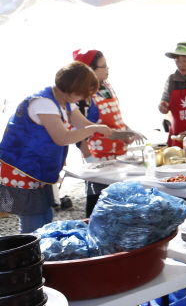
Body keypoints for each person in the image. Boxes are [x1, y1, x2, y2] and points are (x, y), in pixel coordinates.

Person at [0, 62, 110, 232]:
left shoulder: (66, 100)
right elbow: (62, 138)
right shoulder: (44, 102)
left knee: (45, 215)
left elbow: (82, 125)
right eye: (83, 93)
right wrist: (94, 128)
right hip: (21, 167)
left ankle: (42, 253)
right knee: (33, 221)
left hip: (38, 166)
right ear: (73, 88)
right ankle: (29, 254)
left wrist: (102, 130)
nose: (84, 98)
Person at [71, 49, 143, 216]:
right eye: (103, 66)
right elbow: (77, 131)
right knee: (99, 207)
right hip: (98, 159)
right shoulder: (82, 95)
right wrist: (90, 160)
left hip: (120, 157)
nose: (107, 69)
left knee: (121, 205)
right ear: (89, 70)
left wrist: (127, 132)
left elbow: (114, 120)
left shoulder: (106, 86)